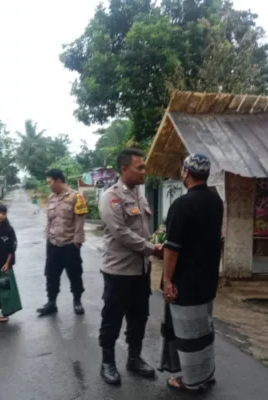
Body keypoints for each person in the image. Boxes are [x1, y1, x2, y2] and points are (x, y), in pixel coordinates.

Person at [158, 154, 223, 392]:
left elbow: (173, 248)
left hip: (185, 281)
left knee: (188, 334)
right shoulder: (216, 201)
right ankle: (206, 373)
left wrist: (167, 280)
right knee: (204, 330)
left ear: (186, 172)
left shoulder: (182, 205)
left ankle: (192, 380)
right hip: (207, 278)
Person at [97, 148, 163, 386]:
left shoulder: (139, 195)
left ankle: (134, 358)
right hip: (119, 271)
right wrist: (151, 248)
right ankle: (107, 362)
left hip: (141, 270)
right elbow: (121, 232)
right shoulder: (111, 197)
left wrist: (156, 241)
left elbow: (142, 229)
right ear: (124, 169)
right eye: (140, 167)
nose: (144, 171)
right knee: (112, 317)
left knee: (139, 317)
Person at [37, 169, 89, 316]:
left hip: (70, 244)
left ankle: (77, 301)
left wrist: (77, 240)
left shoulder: (76, 197)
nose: (48, 185)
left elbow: (80, 221)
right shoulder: (51, 197)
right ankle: (51, 303)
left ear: (58, 181)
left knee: (75, 274)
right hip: (53, 243)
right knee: (51, 274)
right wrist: (48, 234)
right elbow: (49, 219)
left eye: (50, 182)